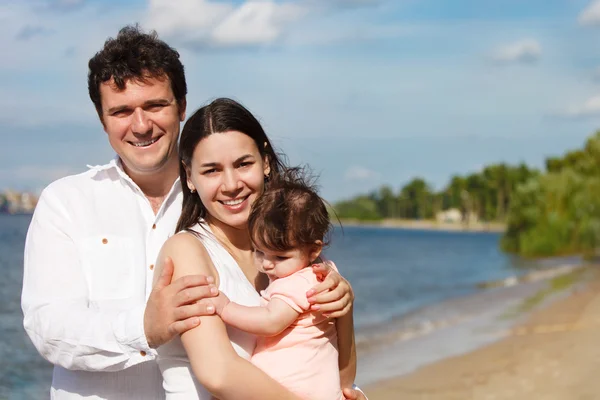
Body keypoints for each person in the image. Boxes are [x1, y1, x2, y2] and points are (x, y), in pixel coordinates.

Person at [21, 25, 361, 400]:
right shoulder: (67, 202)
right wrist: (144, 327)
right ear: (102, 120)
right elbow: (48, 327)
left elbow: (312, 352)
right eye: (121, 111)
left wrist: (340, 304)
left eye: (155, 105)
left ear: (181, 106)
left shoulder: (254, 222)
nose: (141, 125)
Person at [154, 98, 358, 400]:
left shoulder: (288, 251)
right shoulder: (187, 250)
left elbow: (342, 376)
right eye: (211, 170)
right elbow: (219, 373)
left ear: (265, 162)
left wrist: (345, 310)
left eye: (243, 164)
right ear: (189, 177)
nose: (231, 184)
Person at [211, 168, 354, 400]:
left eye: (280, 257)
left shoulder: (300, 282)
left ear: (314, 250)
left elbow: (270, 321)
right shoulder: (324, 271)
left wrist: (225, 307)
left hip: (294, 388)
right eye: (259, 252)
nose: (267, 264)